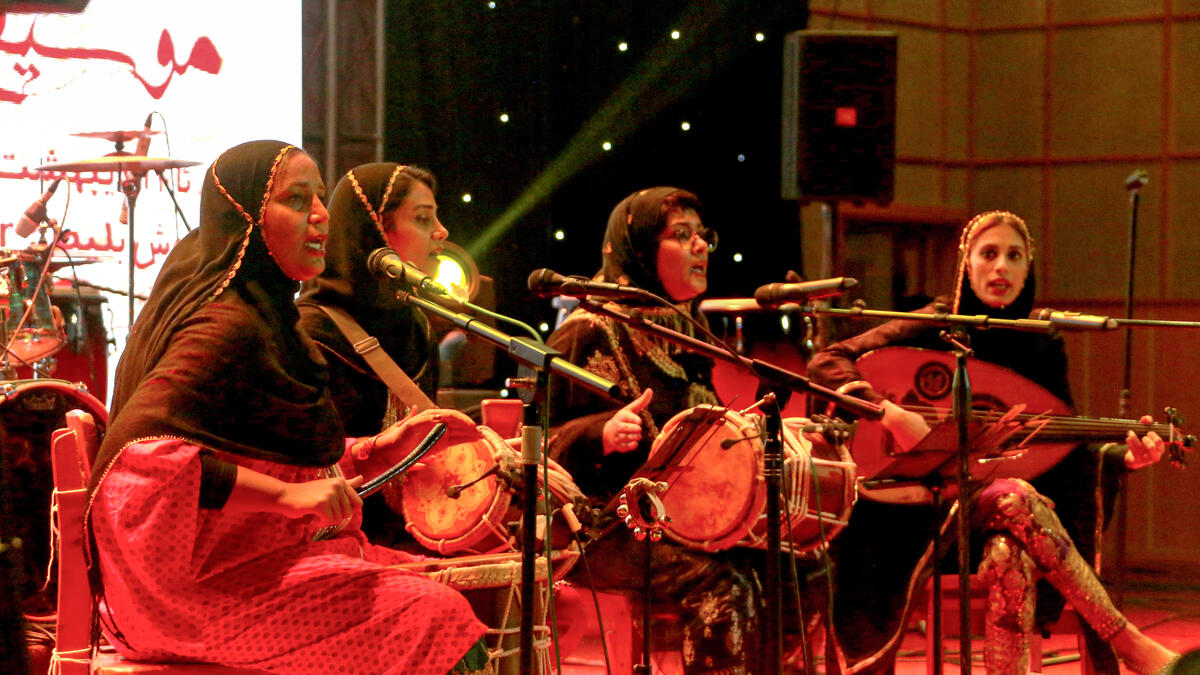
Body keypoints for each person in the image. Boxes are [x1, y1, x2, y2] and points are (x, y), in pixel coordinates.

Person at [85, 141, 488, 674]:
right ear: (248, 218)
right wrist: (286, 496)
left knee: (428, 586)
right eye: (297, 200)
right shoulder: (227, 327)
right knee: (433, 615)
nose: (321, 215)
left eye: (320, 198)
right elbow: (143, 463)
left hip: (244, 564)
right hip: (189, 595)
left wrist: (370, 451)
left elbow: (257, 451)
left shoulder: (267, 316)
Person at [807, 210, 1178, 674]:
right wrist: (890, 412)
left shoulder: (1042, 343)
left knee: (1010, 549)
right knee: (1016, 501)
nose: (1001, 267)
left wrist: (1127, 456)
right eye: (989, 254)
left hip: (988, 511)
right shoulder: (934, 323)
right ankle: (1129, 642)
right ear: (968, 264)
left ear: (1028, 270)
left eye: (1013, 256)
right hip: (915, 514)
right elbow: (829, 360)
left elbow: (1064, 442)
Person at [547, 187, 770, 674]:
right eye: (681, 236)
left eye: (702, 235)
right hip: (600, 528)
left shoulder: (682, 331)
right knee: (722, 580)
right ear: (641, 250)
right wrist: (599, 432)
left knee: (792, 561)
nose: (700, 247)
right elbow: (537, 445)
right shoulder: (586, 330)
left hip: (678, 520)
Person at [297, 162, 446, 548]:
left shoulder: (419, 326)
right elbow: (301, 470)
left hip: (424, 531)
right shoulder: (309, 332)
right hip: (334, 539)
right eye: (423, 218)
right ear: (374, 231)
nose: (441, 232)